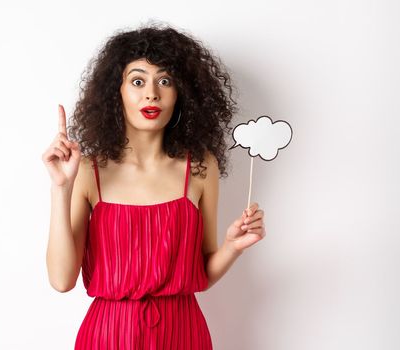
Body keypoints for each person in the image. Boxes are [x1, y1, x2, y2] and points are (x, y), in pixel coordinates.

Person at [42, 22, 266, 349]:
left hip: (183, 334)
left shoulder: (201, 168)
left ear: (182, 93)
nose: (152, 93)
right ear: (114, 91)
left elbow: (200, 276)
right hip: (109, 336)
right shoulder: (89, 171)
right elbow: (62, 280)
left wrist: (233, 245)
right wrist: (61, 189)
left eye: (164, 81)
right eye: (137, 81)